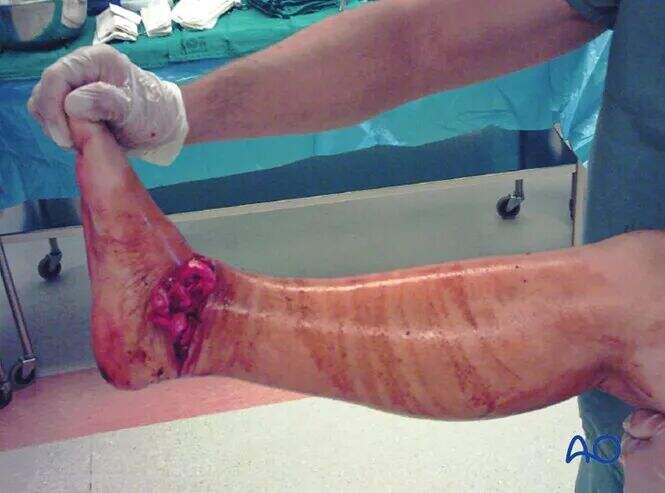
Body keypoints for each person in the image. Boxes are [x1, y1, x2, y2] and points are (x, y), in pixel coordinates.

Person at [26, 0, 664, 491]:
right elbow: (420, 39)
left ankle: (198, 319)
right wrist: (177, 112)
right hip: (624, 440)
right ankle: (194, 317)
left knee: (638, 301)